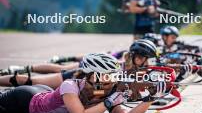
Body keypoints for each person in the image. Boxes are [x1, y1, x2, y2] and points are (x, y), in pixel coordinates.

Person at [0, 53, 167, 113]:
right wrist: (109, 102)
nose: (113, 78)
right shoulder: (69, 86)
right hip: (24, 100)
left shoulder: (105, 91)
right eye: (109, 74)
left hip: (42, 94)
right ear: (93, 74)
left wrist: (151, 98)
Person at [0, 39, 159, 89]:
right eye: (144, 58)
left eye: (147, 59)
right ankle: (20, 70)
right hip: (77, 76)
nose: (146, 62)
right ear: (134, 56)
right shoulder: (118, 65)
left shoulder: (138, 70)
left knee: (36, 86)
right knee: (32, 82)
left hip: (82, 89)